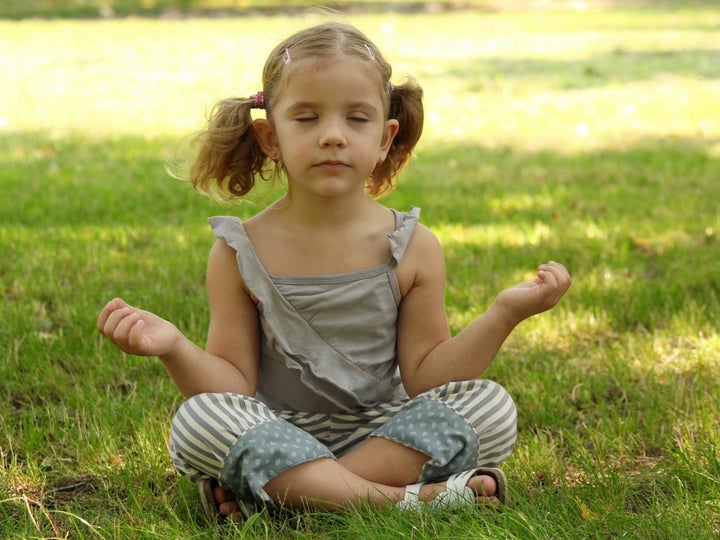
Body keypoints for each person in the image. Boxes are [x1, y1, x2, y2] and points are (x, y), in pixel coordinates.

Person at [96, 21, 571, 520]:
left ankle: (289, 493)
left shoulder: (413, 247)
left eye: (357, 119)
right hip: (277, 428)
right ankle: (404, 501)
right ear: (269, 135)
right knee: (201, 420)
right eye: (305, 118)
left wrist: (503, 314)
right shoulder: (240, 251)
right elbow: (232, 387)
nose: (332, 136)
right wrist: (173, 346)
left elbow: (429, 377)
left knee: (490, 407)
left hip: (387, 429)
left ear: (385, 137)